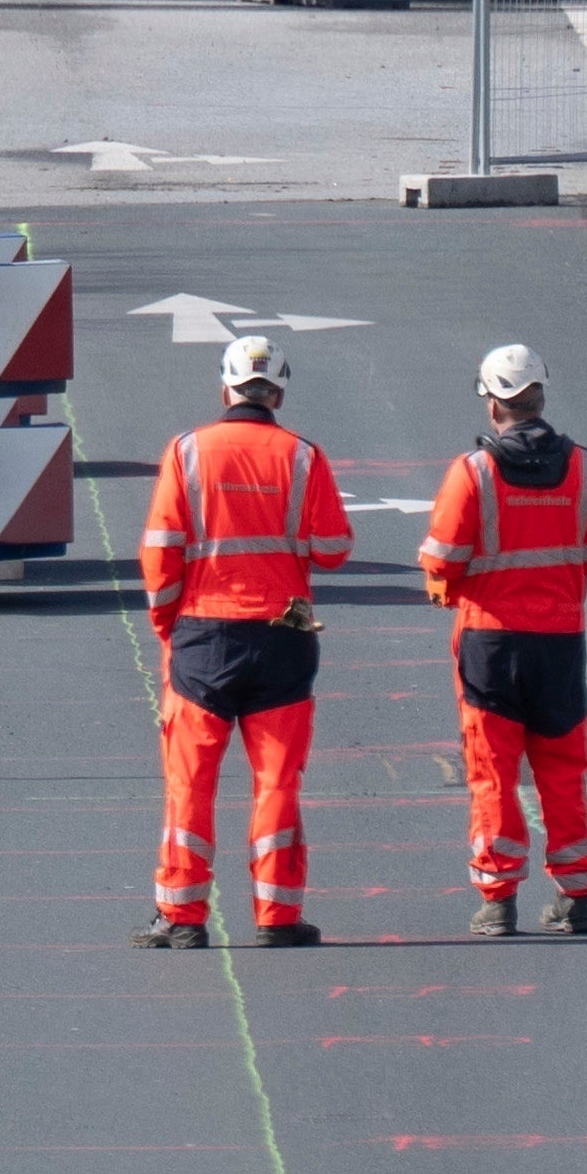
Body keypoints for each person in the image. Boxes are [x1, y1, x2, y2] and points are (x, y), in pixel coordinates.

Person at [135, 332, 352, 948]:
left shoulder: (188, 452)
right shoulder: (304, 456)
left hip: (203, 635)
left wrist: (169, 628)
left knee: (190, 784)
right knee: (277, 783)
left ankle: (181, 917)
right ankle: (278, 917)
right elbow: (335, 550)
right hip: (285, 635)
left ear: (224, 386)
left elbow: (160, 553)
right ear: (278, 391)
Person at [420, 343, 587, 937]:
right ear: (541, 396)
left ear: (492, 406)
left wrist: (452, 586)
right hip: (560, 643)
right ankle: (577, 894)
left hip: (490, 645)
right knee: (562, 769)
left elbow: (441, 557)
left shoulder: (473, 473)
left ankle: (497, 900)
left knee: (492, 772)